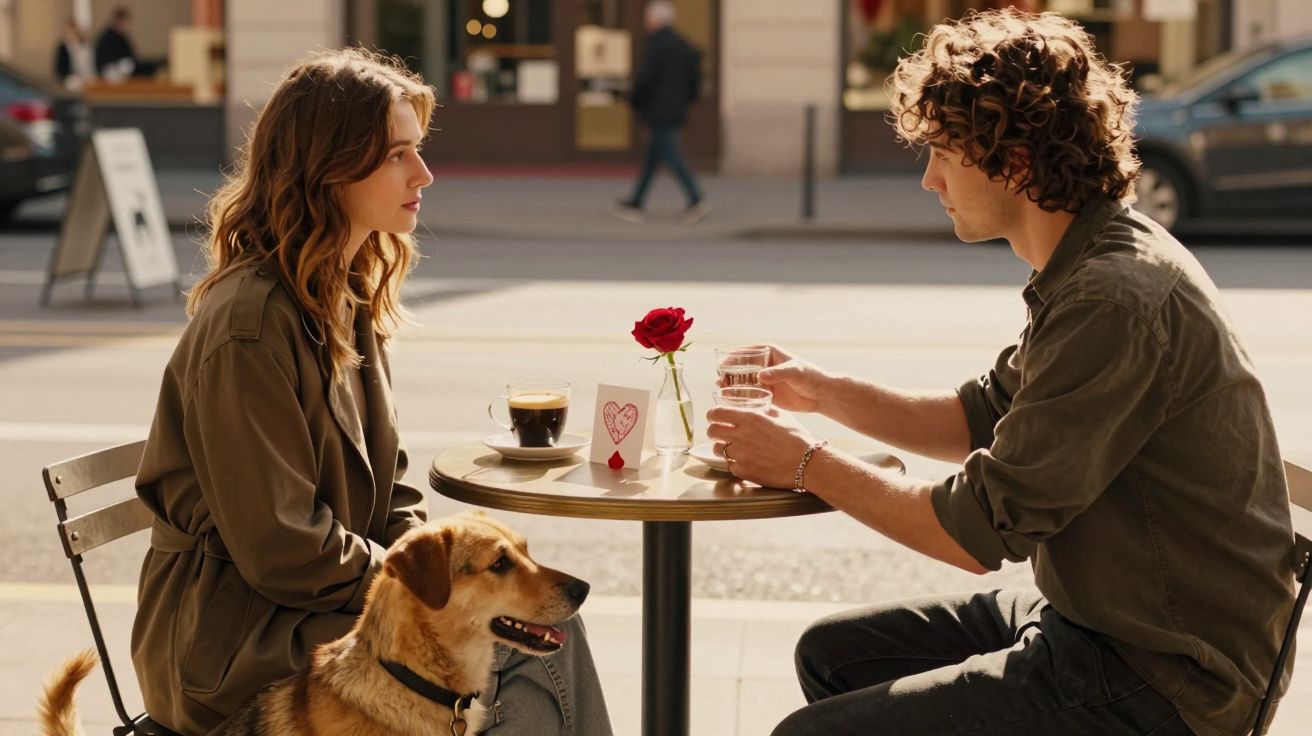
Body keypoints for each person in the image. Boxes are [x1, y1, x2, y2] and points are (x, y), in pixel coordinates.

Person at [706, 10, 1295, 736]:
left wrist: (804, 464)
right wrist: (820, 391)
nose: (928, 180)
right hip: (1101, 620)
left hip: (1167, 675)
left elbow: (974, 534)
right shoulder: (1090, 258)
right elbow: (980, 415)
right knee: (836, 655)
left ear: (1013, 161)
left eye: (944, 154)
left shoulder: (1113, 298)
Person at [131, 48, 613, 736]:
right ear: (326, 170)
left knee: (539, 629)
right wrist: (427, 593)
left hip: (315, 606)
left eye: (417, 151)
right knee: (528, 651)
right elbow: (281, 546)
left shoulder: (343, 292)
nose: (424, 174)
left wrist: (436, 572)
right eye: (396, 155)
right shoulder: (250, 325)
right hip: (236, 640)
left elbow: (392, 494)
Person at [610, 0, 710, 225]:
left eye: (648, 17)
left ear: (655, 20)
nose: (646, 21)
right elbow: (695, 79)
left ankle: (696, 199)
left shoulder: (657, 45)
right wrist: (687, 101)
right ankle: (636, 202)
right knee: (652, 159)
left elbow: (647, 78)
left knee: (671, 157)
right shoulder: (683, 45)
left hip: (660, 110)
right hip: (674, 110)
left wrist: (634, 100)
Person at [94, 6, 137, 81]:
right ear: (117, 20)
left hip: (122, 67)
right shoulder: (107, 37)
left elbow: (131, 55)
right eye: (123, 21)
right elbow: (105, 58)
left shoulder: (123, 36)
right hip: (109, 69)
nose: (124, 24)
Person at [53, 19, 94, 90]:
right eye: (70, 32)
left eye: (74, 31)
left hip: (86, 76)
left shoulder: (85, 47)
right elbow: (60, 69)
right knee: (75, 84)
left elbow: (89, 65)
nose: (72, 34)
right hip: (70, 78)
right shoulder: (63, 48)